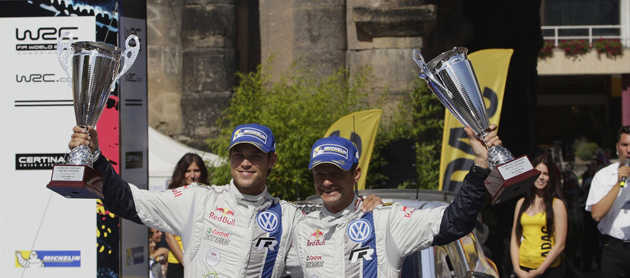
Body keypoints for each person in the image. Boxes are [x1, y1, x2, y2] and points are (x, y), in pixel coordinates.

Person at [70, 123, 305, 278]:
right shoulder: (199, 199)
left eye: (255, 156)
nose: (245, 163)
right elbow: (128, 200)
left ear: (271, 160)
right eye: (238, 155)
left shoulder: (288, 217)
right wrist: (96, 158)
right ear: (230, 158)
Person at [288, 124, 502, 277]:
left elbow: (455, 221)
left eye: (336, 174)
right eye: (320, 174)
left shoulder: (384, 219)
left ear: (356, 174)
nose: (327, 182)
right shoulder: (302, 227)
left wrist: (480, 165)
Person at [509, 153, 568, 278]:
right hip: (523, 269)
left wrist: (540, 271)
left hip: (549, 270)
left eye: (546, 174)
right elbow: (515, 238)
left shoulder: (557, 204)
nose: (541, 177)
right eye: (538, 173)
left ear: (551, 177)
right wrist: (517, 269)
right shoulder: (521, 203)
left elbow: (560, 244)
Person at [585, 125, 630, 278]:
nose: (629, 150)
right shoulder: (603, 176)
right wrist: (618, 184)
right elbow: (596, 214)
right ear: (617, 147)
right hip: (613, 248)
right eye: (625, 145)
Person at [164, 153, 208, 278]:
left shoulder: (209, 193)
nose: (192, 176)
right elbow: (169, 237)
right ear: (181, 172)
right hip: (178, 263)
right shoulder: (172, 195)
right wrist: (187, 264)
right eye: (188, 171)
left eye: (196, 170)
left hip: (202, 262)